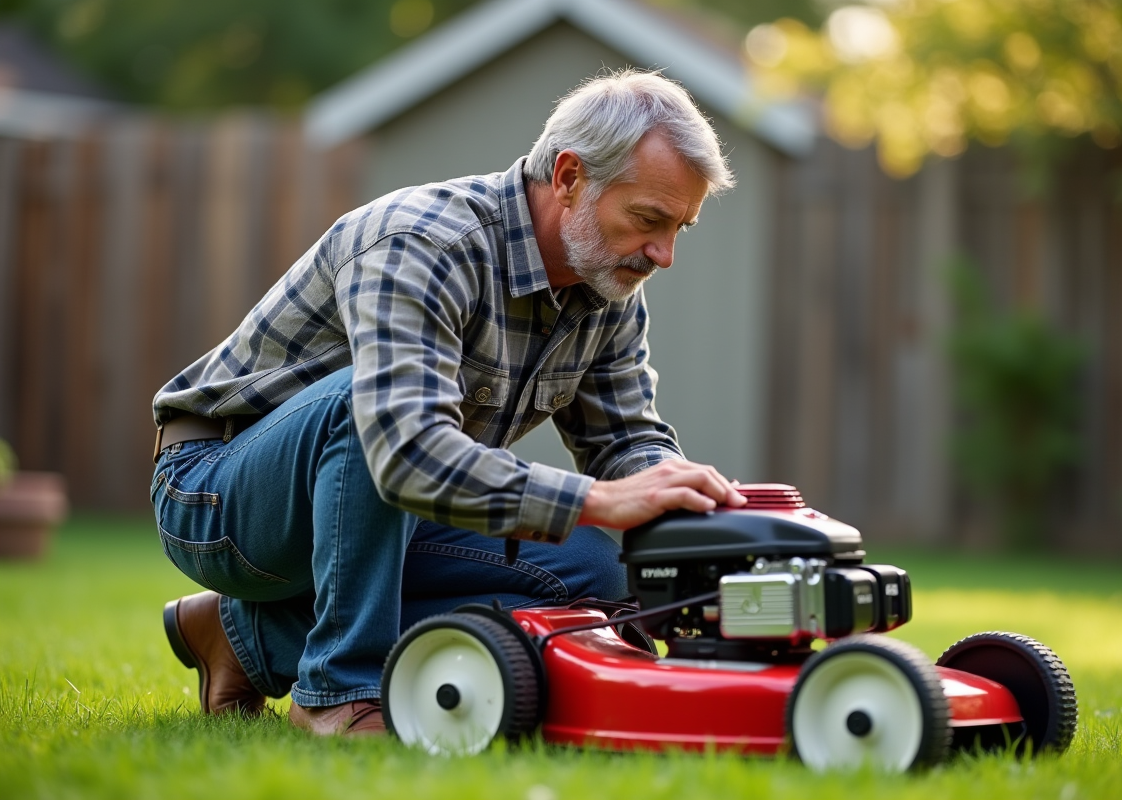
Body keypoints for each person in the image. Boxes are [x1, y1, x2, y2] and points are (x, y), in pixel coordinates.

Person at [150, 69, 746, 737]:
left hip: (388, 509)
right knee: (365, 404)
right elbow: (402, 448)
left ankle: (246, 637)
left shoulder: (606, 288)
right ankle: (338, 690)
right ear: (570, 177)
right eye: (649, 220)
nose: (663, 254)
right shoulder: (423, 242)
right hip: (218, 494)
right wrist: (592, 500)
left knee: (593, 570)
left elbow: (626, 444)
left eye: (681, 228)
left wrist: (697, 516)